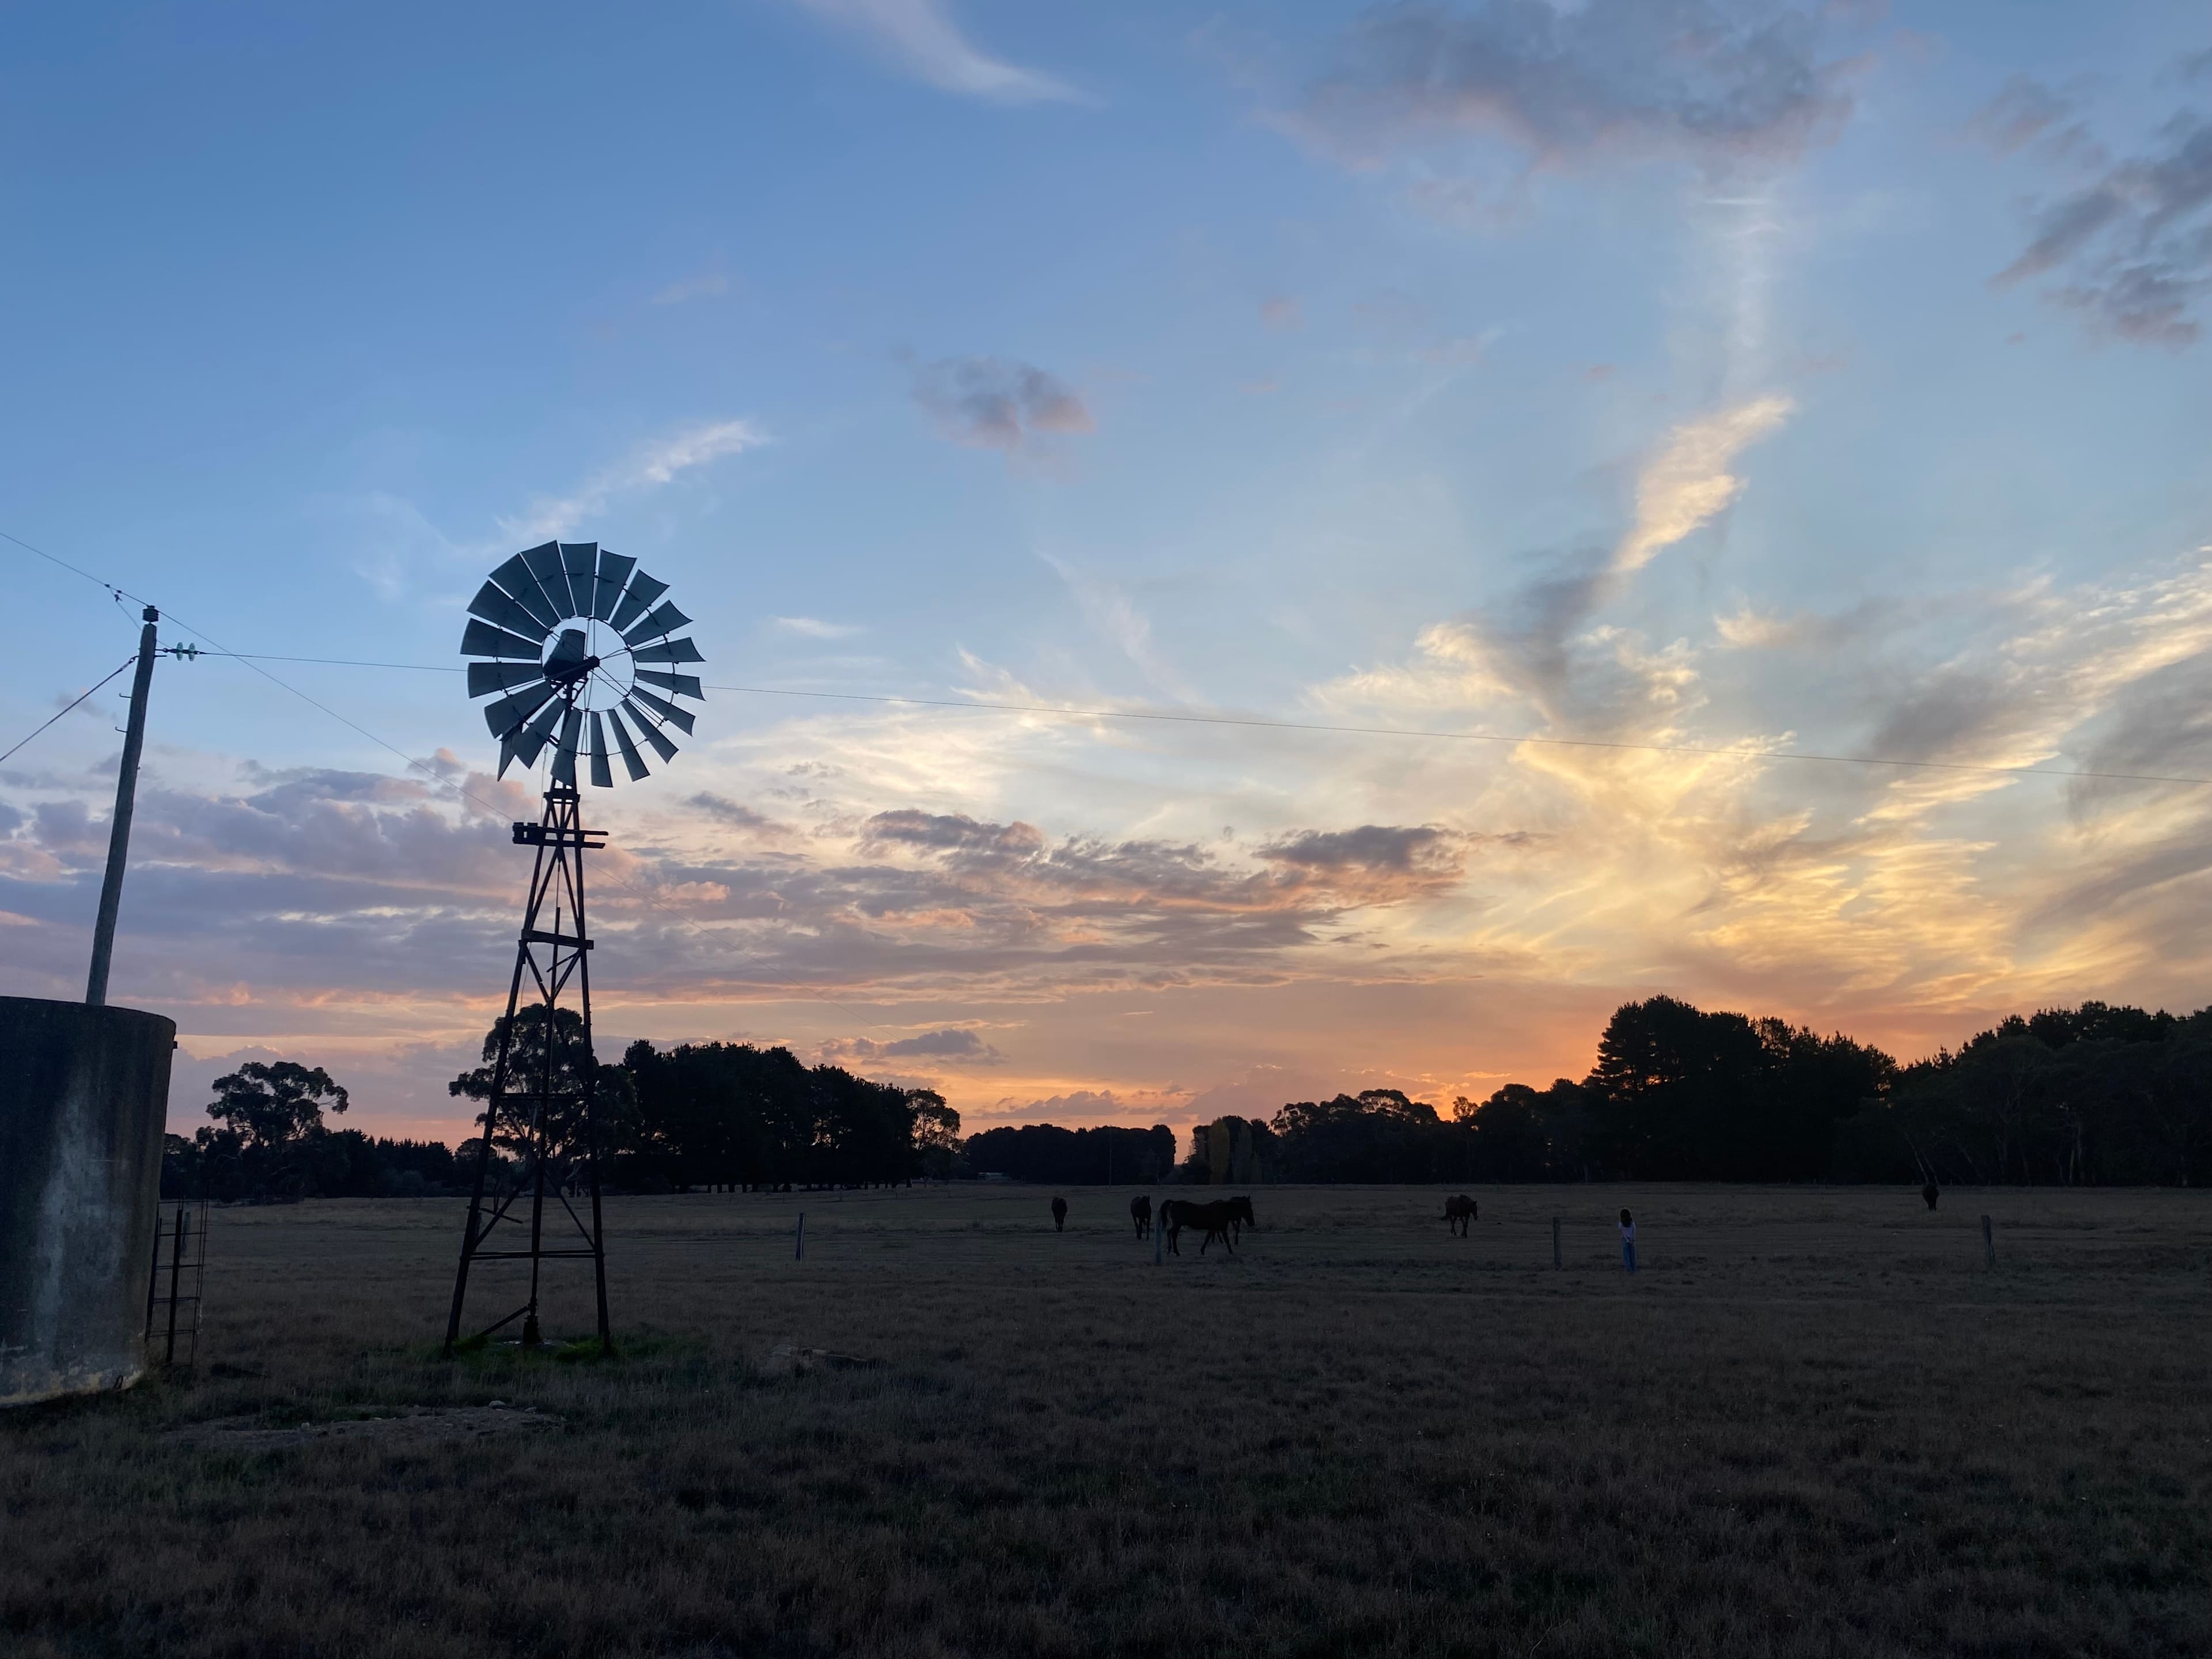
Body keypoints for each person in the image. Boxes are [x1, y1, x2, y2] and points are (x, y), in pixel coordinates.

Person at [1619, 1208, 1637, 1274]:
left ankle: (1629, 1270)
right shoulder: (1632, 1223)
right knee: (1632, 1256)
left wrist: (1627, 1240)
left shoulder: (1621, 1223)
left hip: (1625, 1240)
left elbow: (1622, 1232)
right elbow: (1634, 1231)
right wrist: (1632, 1239)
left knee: (1626, 1256)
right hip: (1631, 1239)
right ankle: (1634, 1269)